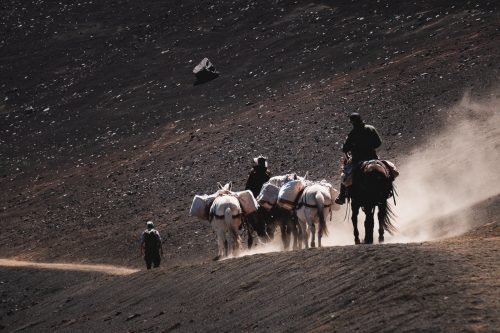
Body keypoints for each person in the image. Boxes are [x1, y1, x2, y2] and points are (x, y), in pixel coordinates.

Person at [335, 113, 382, 205]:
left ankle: (342, 196)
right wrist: (369, 146)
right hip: (372, 156)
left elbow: (345, 149)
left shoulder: (352, 133)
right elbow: (379, 142)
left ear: (352, 122)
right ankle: (388, 189)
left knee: (345, 175)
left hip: (357, 160)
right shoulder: (371, 128)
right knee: (386, 168)